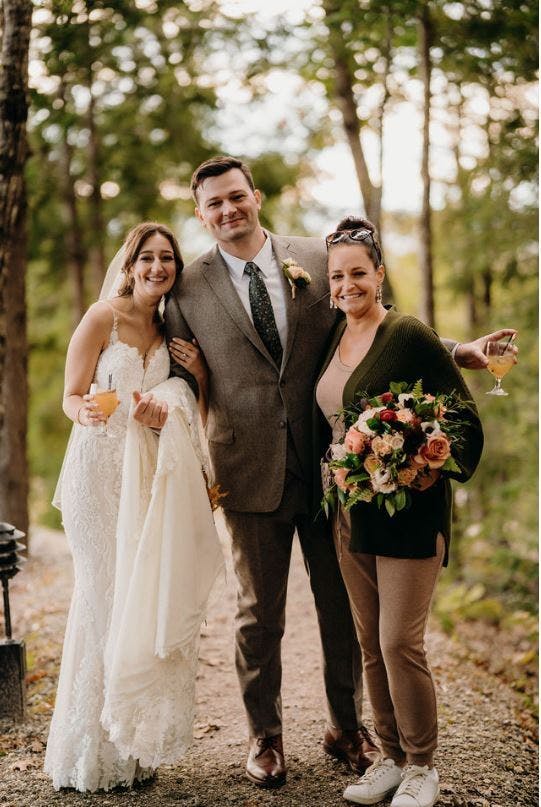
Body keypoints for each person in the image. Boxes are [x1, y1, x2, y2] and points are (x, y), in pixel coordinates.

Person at [164, 155, 510, 789]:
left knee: (344, 613)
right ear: (199, 212)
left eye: (236, 196)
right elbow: (177, 377)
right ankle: (265, 736)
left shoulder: (318, 258)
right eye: (213, 203)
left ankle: (349, 730)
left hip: (335, 473)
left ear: (256, 196)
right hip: (246, 467)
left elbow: (383, 330)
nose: (227, 210)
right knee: (257, 614)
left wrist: (462, 352)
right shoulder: (186, 288)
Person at [45, 222, 223, 792]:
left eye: (167, 258)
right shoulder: (102, 317)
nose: (157, 267)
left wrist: (186, 382)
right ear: (129, 263)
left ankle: (132, 747)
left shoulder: (174, 328)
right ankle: (87, 752)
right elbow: (71, 396)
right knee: (101, 600)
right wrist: (86, 412)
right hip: (96, 477)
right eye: (146, 257)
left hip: (146, 481)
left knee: (137, 602)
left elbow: (190, 401)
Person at [315, 216, 484, 807]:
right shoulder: (330, 338)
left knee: (397, 644)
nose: (346, 285)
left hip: (409, 515)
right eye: (337, 275)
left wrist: (423, 462)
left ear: (379, 274)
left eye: (358, 272)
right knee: (368, 643)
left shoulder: (407, 333)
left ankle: (421, 766)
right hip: (350, 515)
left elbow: (461, 418)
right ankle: (386, 759)